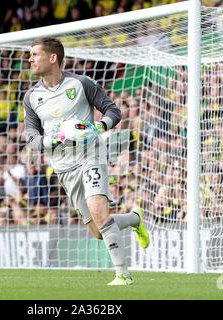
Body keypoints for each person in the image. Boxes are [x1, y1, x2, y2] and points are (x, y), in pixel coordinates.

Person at [23, 38, 150, 286]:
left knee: (100, 212)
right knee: (98, 232)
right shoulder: (31, 97)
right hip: (63, 167)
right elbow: (31, 137)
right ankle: (135, 219)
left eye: (35, 54)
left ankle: (123, 274)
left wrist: (98, 127)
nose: (30, 59)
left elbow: (113, 110)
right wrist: (54, 139)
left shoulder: (81, 84)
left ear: (53, 58)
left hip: (90, 155)